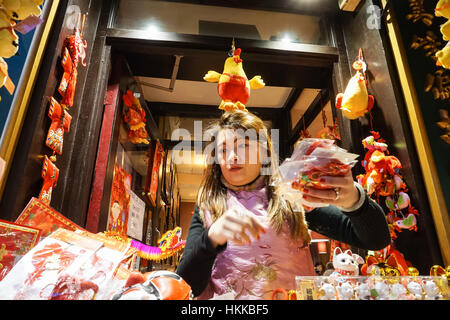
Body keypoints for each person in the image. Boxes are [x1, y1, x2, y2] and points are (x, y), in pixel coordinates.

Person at [176, 111, 390, 300]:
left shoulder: (290, 195)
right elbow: (185, 285)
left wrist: (354, 201)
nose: (232, 156)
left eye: (244, 146)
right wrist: (211, 238)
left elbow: (376, 239)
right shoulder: (208, 205)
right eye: (223, 150)